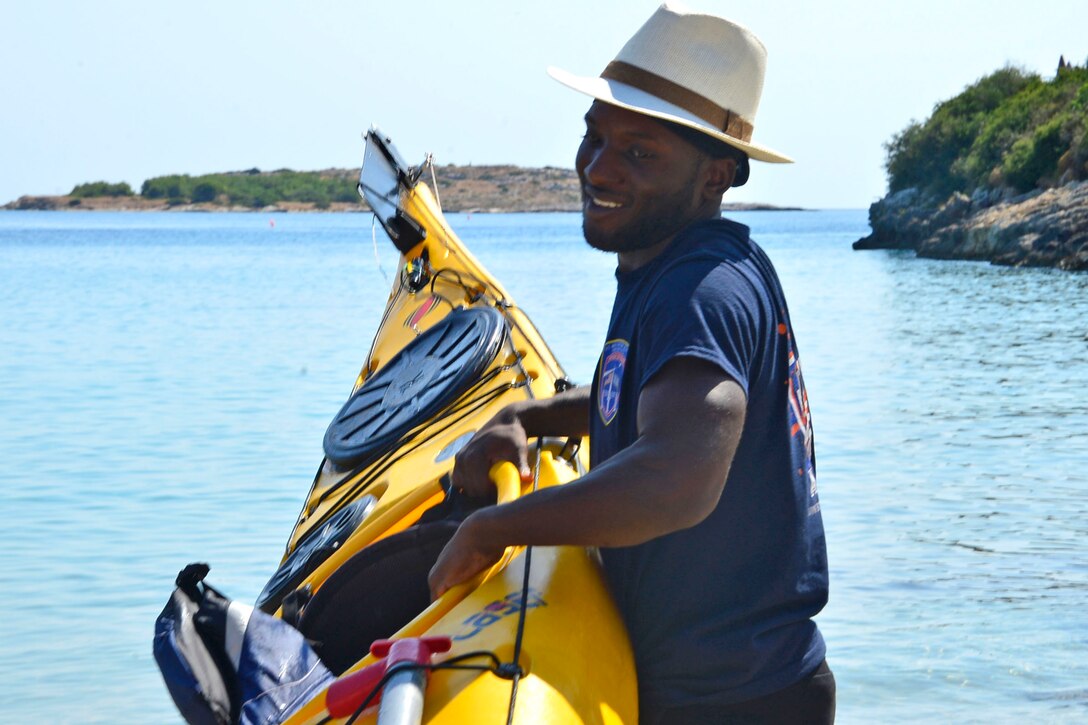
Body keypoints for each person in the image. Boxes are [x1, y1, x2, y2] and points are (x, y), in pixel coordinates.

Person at [428, 3, 833, 722]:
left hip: (733, 701)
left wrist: (494, 528)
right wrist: (528, 412)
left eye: (640, 152)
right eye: (594, 136)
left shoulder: (699, 289)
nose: (598, 166)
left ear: (716, 176)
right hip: (745, 683)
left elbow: (676, 480)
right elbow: (647, 397)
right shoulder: (687, 267)